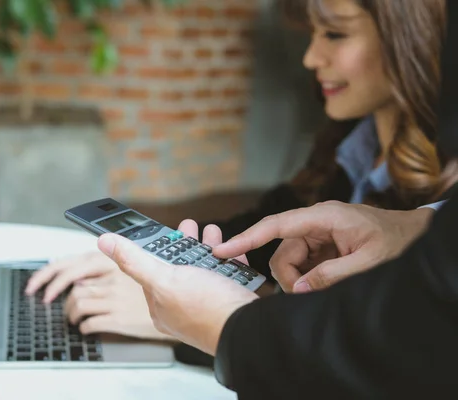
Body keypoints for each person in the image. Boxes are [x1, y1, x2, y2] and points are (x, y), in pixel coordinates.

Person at [27, 0, 455, 353]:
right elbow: (257, 229)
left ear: (409, 40)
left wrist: (192, 329)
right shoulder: (346, 147)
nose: (310, 57)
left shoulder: (444, 215)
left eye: (335, 34)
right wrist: (155, 263)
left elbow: (373, 361)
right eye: (312, 33)